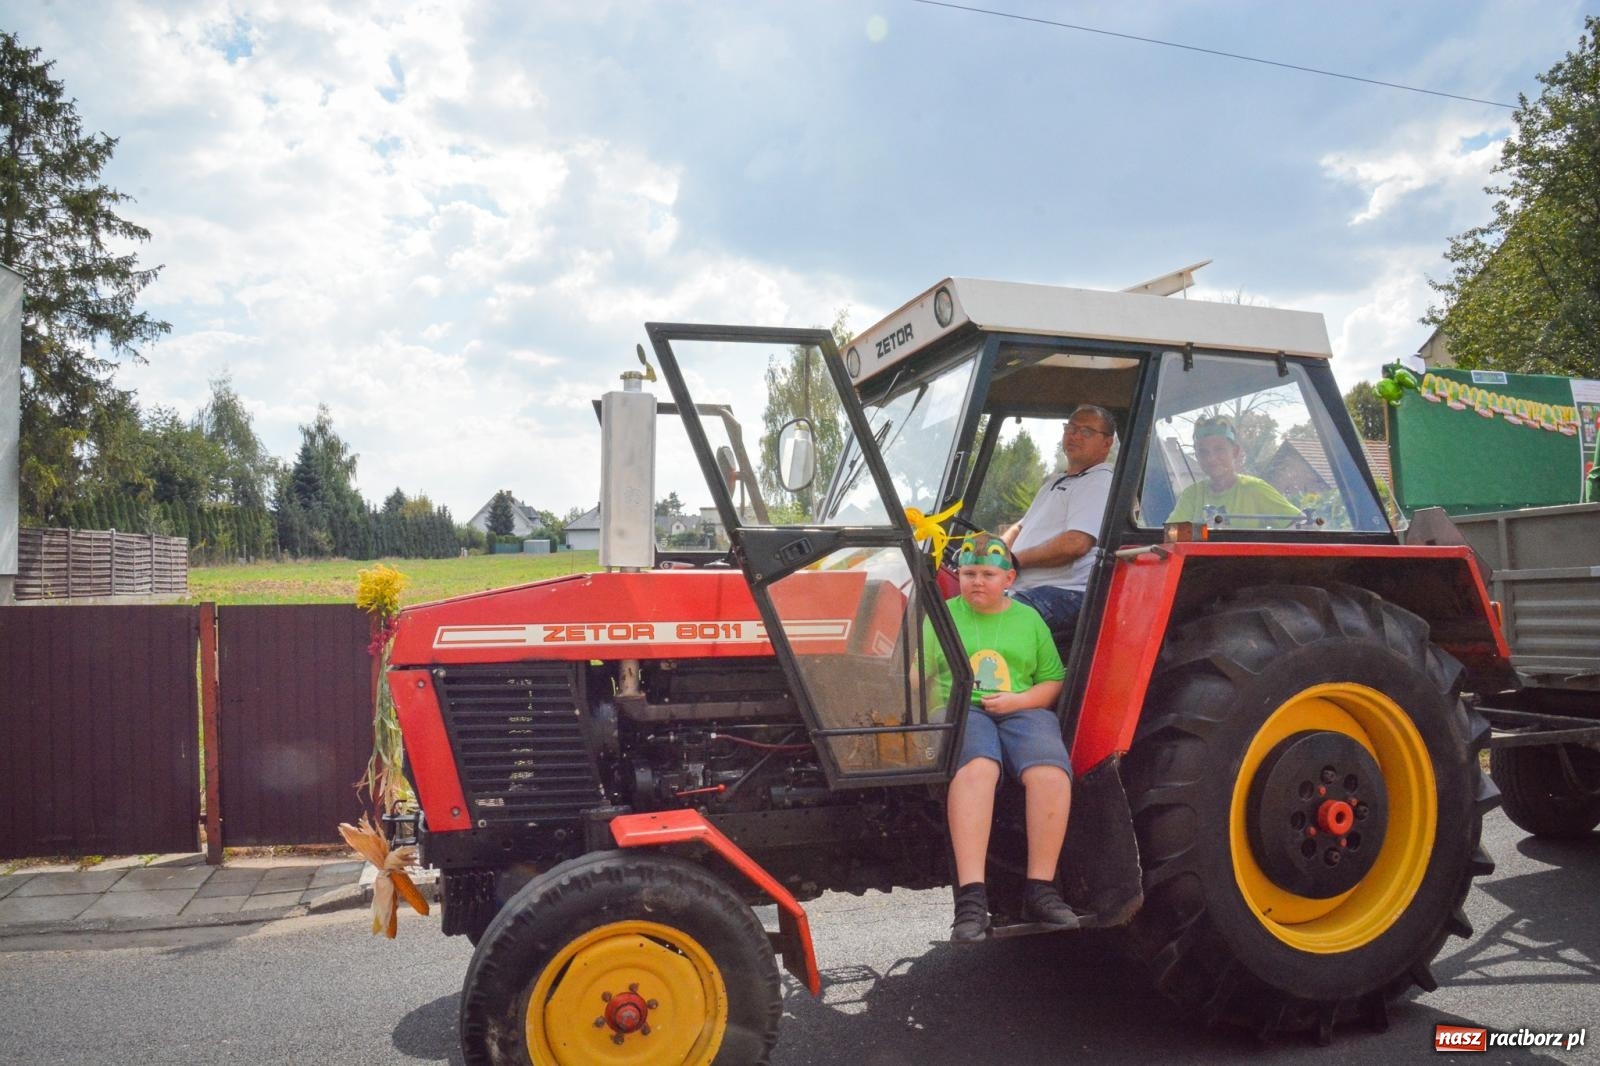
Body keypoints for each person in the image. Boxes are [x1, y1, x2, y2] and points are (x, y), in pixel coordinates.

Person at [927, 531, 1078, 941]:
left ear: (1009, 578)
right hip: (961, 709)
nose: (977, 581)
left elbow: (1052, 681)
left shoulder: (1029, 620)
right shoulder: (941, 616)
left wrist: (1019, 701)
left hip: (1022, 708)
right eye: (969, 572)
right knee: (977, 770)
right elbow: (917, 675)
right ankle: (972, 901)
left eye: (988, 574)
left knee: (1051, 773)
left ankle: (1041, 890)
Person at [1000, 404, 1116, 643]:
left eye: (1086, 432)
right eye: (1071, 428)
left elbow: (1076, 544)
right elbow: (1020, 527)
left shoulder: (1099, 481)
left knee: (992, 622)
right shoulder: (1056, 481)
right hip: (1026, 588)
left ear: (1107, 443)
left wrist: (1015, 560)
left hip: (1064, 593)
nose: (1074, 435)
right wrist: (992, 553)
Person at [1167, 415, 1301, 529]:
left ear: (1235, 452)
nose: (1211, 458)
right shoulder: (1192, 495)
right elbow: (1168, 537)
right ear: (1197, 456)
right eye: (1203, 452)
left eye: (1219, 449)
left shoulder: (1254, 489)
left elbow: (1301, 525)